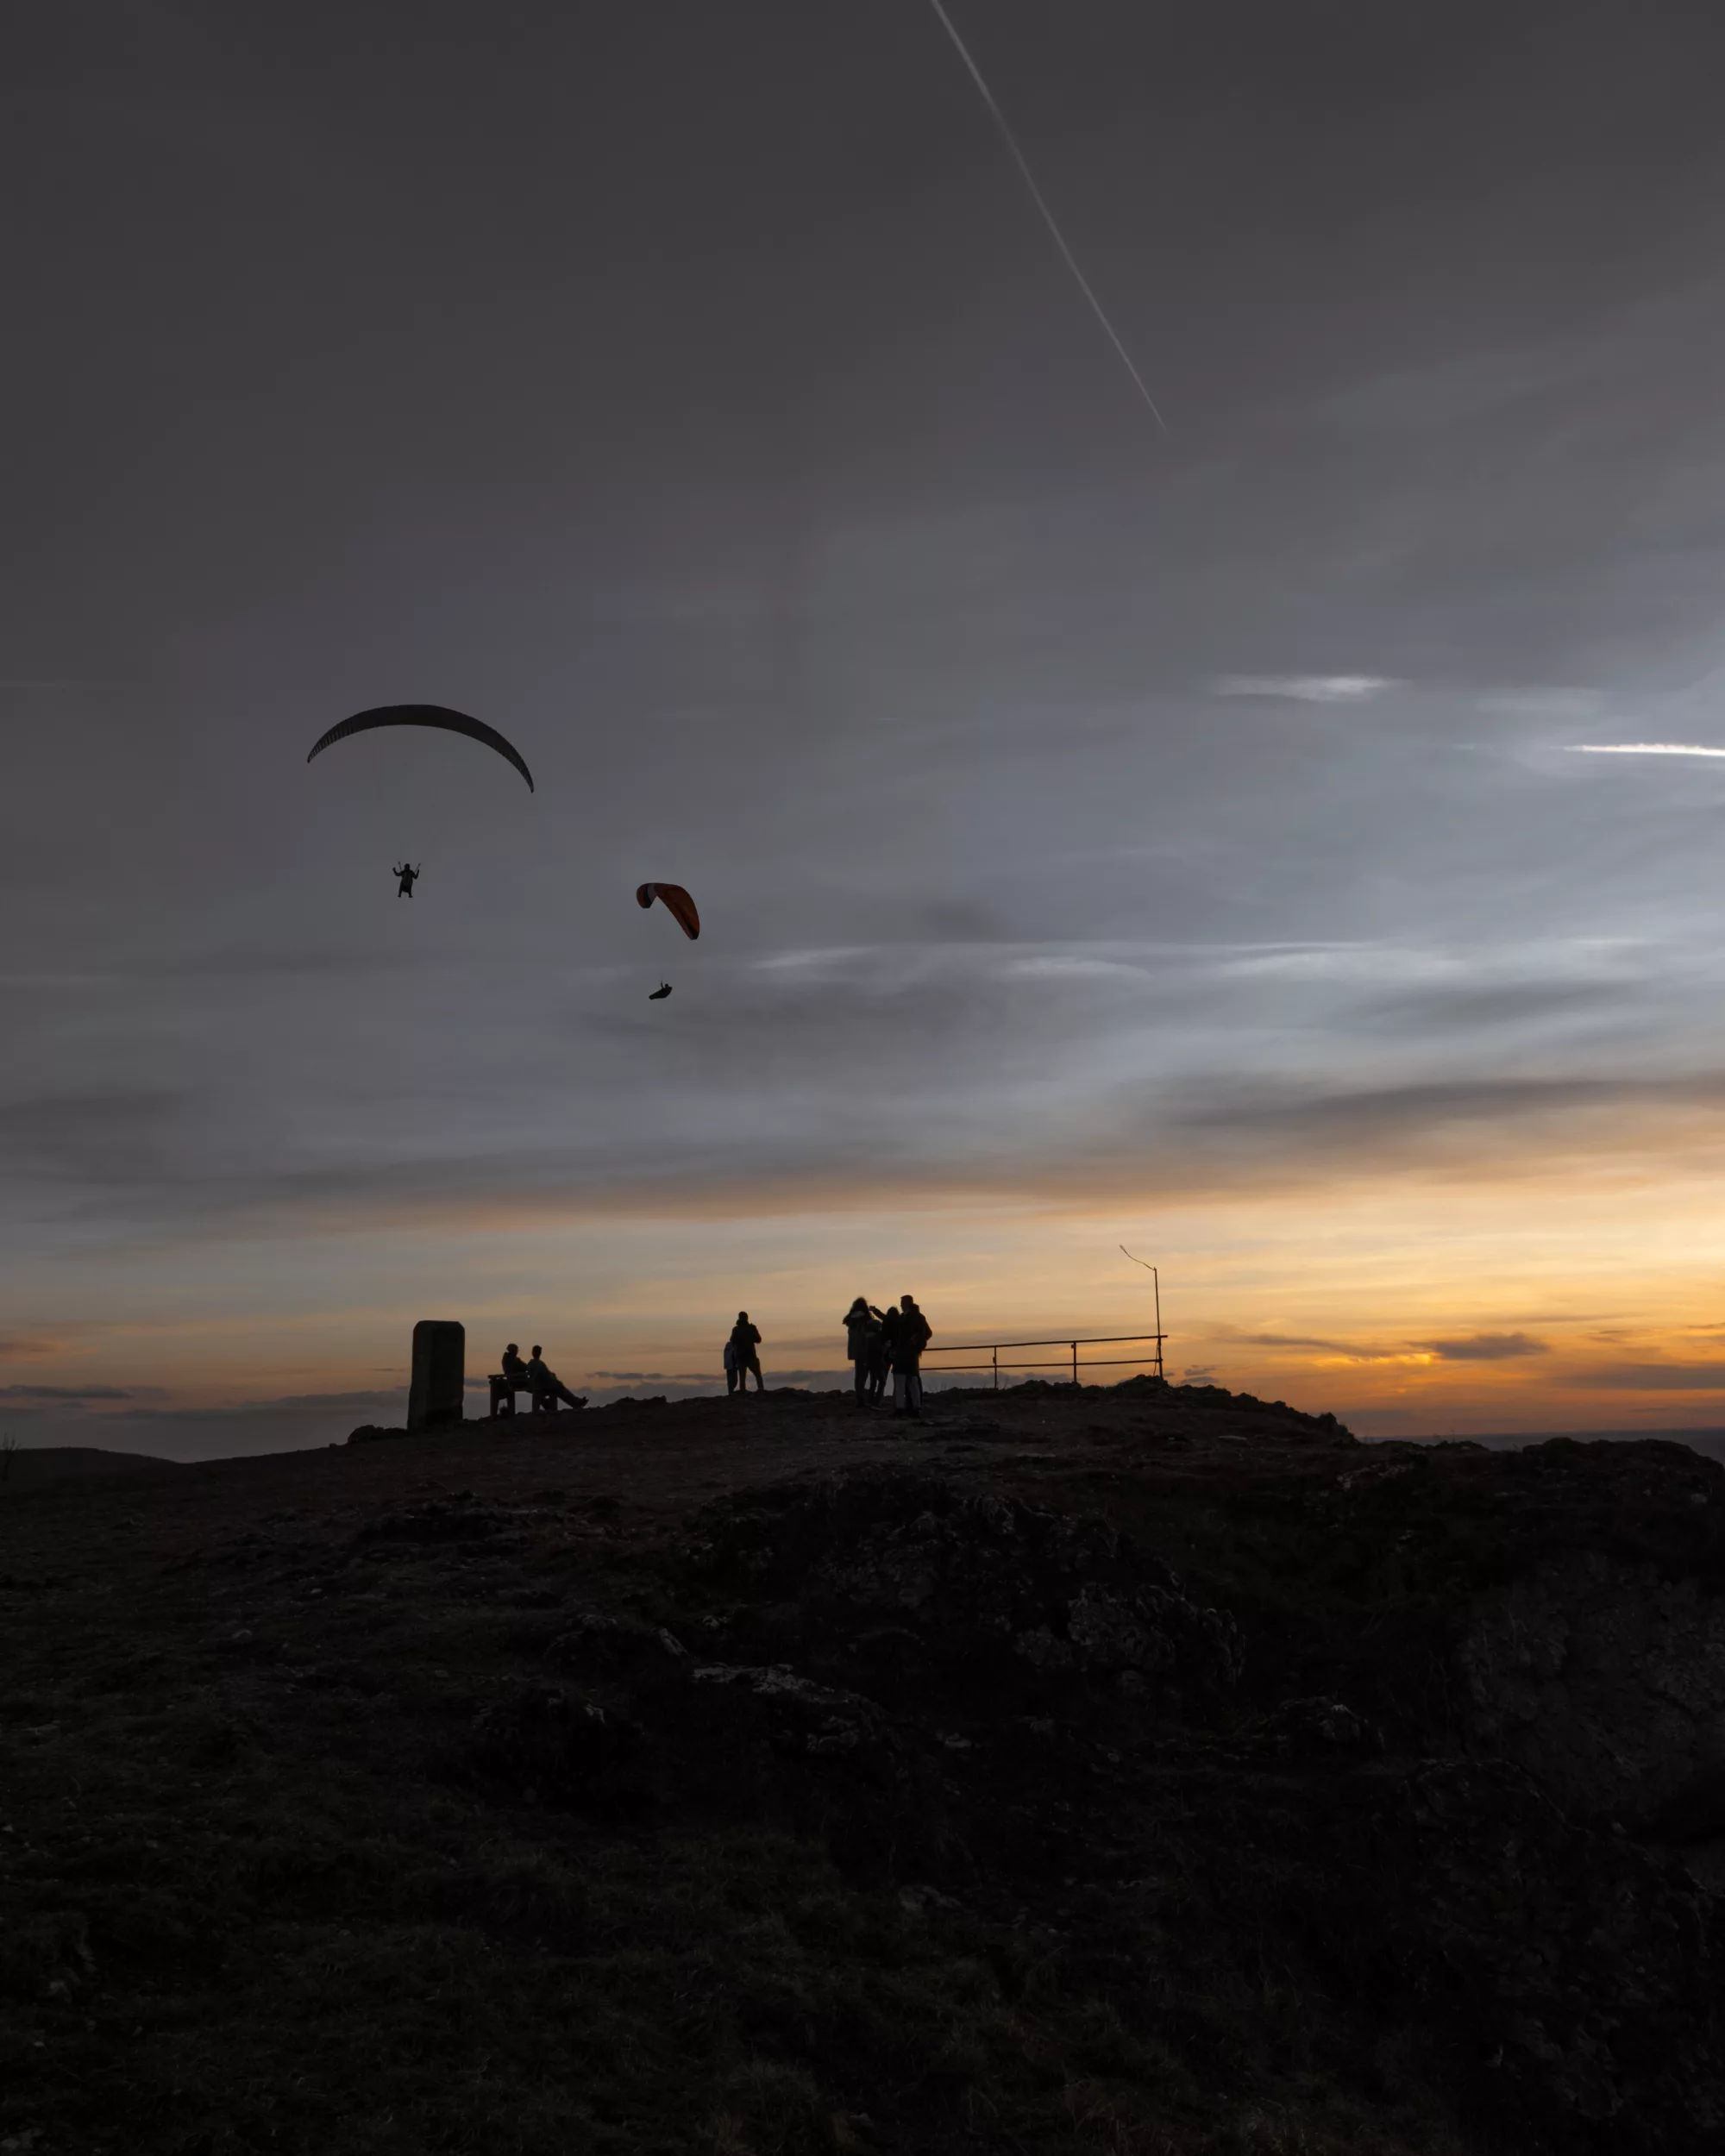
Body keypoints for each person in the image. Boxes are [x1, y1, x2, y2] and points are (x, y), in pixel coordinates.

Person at [891, 1294, 932, 1418]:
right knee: (912, 1381)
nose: (901, 1305)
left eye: (903, 1303)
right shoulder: (918, 1317)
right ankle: (915, 1408)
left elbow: (926, 1333)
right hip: (911, 1354)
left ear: (908, 1303)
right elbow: (927, 1333)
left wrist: (915, 1342)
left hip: (904, 1353)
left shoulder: (908, 1318)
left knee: (902, 1382)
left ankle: (901, 1408)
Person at [844, 1297, 883, 1407]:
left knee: (858, 1377)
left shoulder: (851, 1320)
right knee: (869, 1376)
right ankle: (868, 1400)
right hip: (866, 1350)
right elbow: (867, 1334)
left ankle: (859, 1399)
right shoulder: (864, 1320)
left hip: (855, 1351)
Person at [524, 1343, 584, 1413]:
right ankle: (576, 1402)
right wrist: (552, 1377)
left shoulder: (533, 1363)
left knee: (559, 1389)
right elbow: (542, 1375)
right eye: (539, 1352)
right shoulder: (537, 1363)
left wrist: (552, 1376)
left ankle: (576, 1402)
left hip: (543, 1383)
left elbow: (542, 1374)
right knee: (559, 1389)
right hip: (544, 1384)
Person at [728, 1311, 763, 1395]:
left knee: (742, 1377)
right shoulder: (751, 1328)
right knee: (757, 1375)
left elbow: (732, 1341)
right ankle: (761, 1390)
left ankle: (743, 1392)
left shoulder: (736, 1329)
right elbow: (758, 1339)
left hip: (741, 1356)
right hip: (750, 1355)